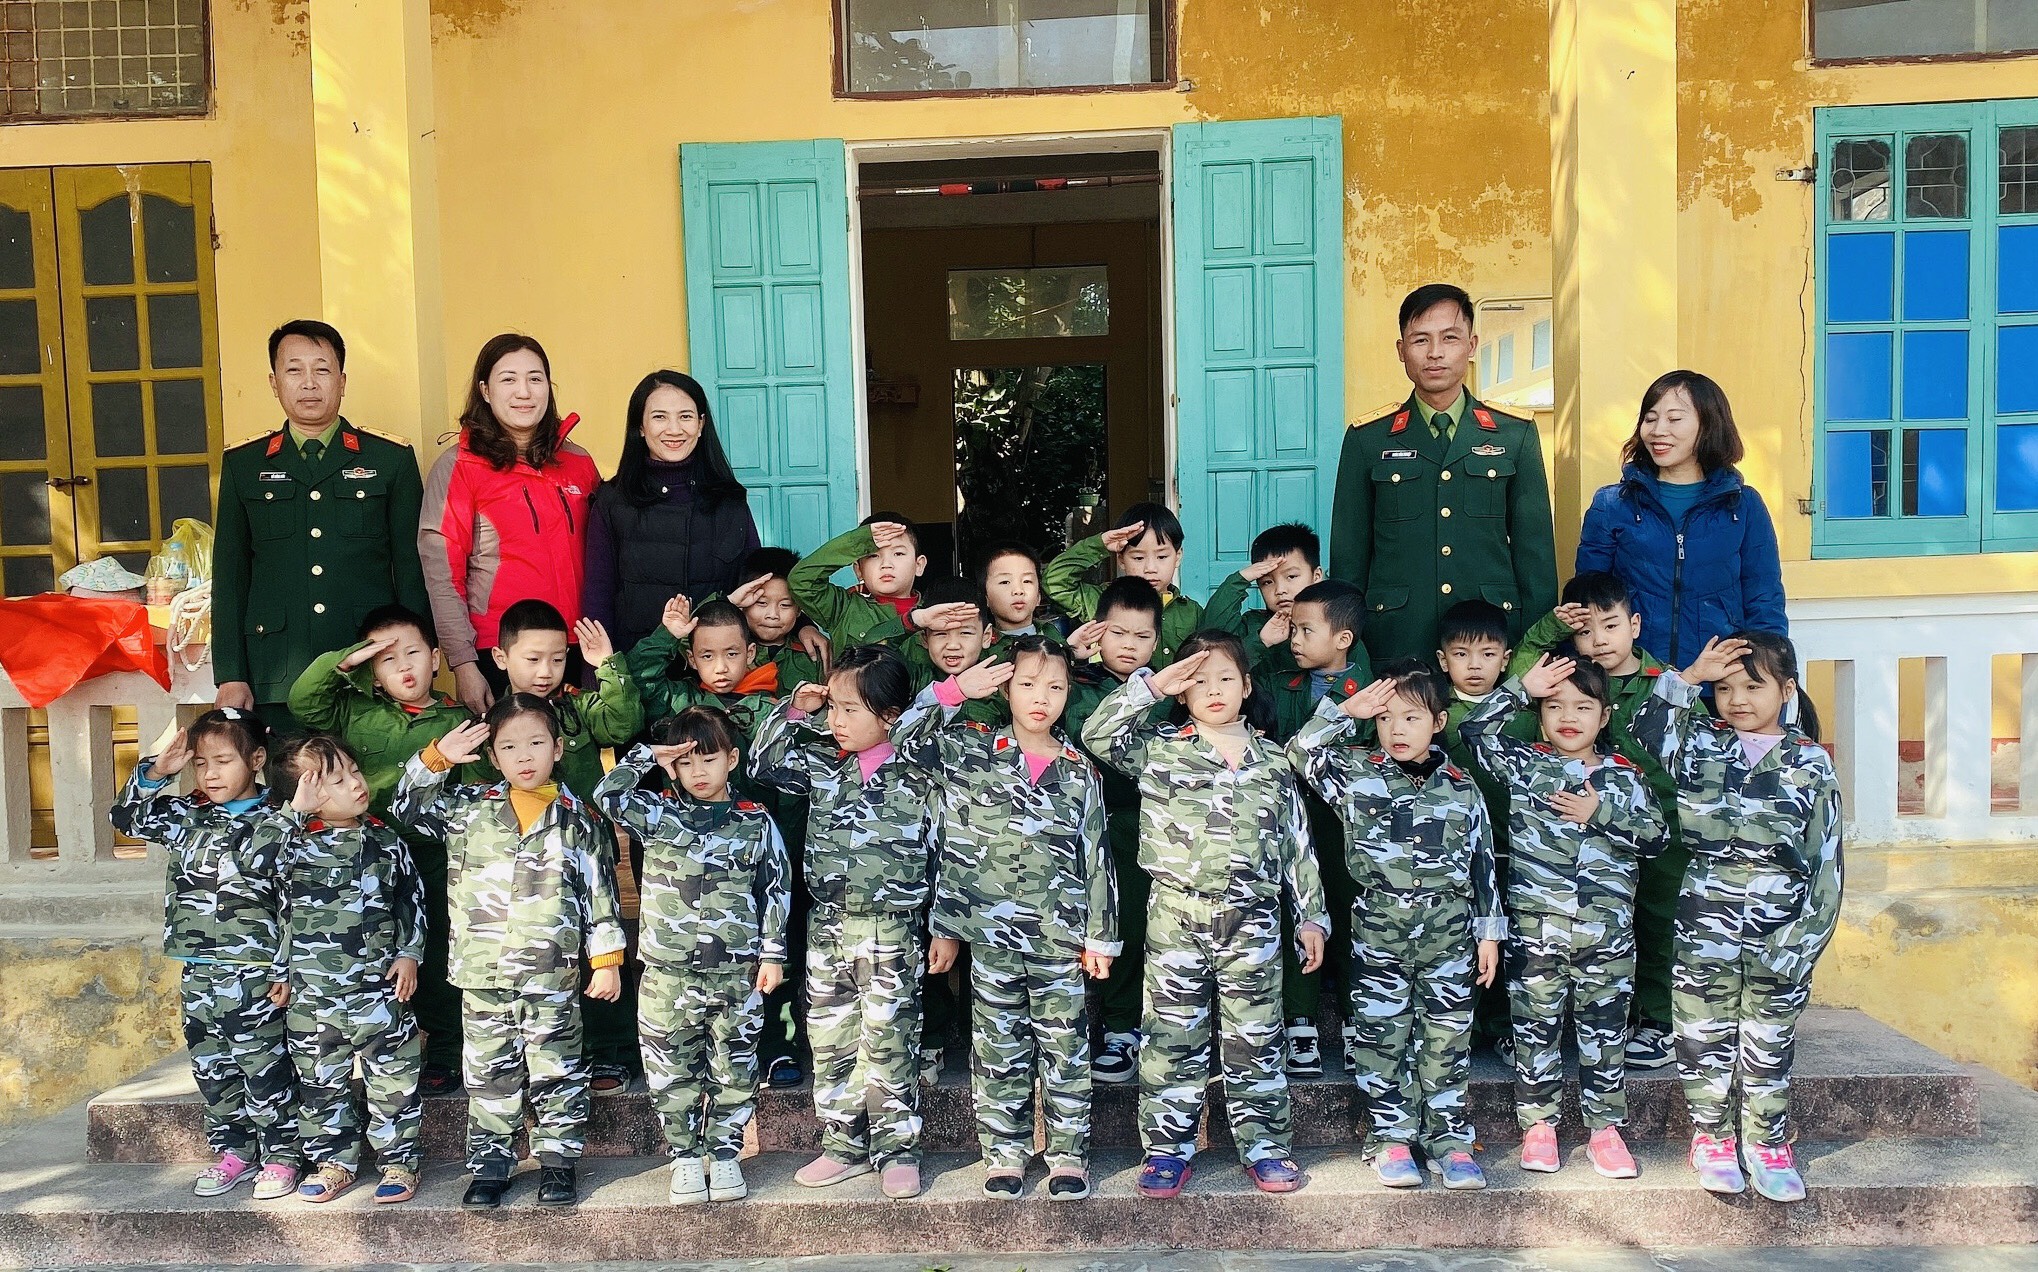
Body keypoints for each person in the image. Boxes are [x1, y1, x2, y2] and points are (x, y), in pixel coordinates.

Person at [1081, 633, 1328, 1199]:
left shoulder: (1275, 759)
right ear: (1181, 693)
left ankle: (1265, 1147)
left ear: (1247, 686)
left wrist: (1312, 915)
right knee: (1172, 1037)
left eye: (1225, 678)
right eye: (1197, 681)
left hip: (1253, 917)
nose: (1213, 690)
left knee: (1256, 1037)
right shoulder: (1161, 750)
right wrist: (1152, 686)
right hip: (1177, 914)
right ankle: (1167, 1150)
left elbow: (1297, 841)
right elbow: (1098, 734)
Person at [1630, 633, 1843, 1204]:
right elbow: (1646, 729)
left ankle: (1768, 1144)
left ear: (1786, 690)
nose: (1738, 699)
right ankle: (1713, 1139)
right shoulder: (1701, 743)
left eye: (1753, 686)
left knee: (1768, 1039)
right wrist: (1690, 678)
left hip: (1780, 923)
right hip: (1705, 914)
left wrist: (1802, 944)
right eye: (1724, 689)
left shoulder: (1810, 762)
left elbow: (1827, 862)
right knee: (1702, 1033)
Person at [393, 699, 626, 1209]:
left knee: (557, 1068)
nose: (524, 756)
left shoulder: (579, 819)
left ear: (558, 749)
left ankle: (558, 1162)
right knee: (488, 1073)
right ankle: (491, 1165)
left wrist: (606, 961)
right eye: (510, 747)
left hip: (551, 970)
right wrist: (436, 757)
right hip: (482, 970)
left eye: (536, 743)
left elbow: (600, 892)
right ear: (493, 757)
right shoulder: (469, 808)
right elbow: (407, 808)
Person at [907, 639, 1116, 1201]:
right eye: (1026, 684)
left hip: (1059, 934)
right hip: (989, 933)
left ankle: (1068, 1154)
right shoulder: (972, 750)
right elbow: (904, 741)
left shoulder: (1079, 771)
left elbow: (1097, 857)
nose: (1040, 698)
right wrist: (953, 692)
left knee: (1065, 1046)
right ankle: (1005, 1153)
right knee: (999, 1046)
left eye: (1054, 686)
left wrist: (1101, 936)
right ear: (1005, 690)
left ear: (1069, 693)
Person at [1288, 661, 1504, 1192]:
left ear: (1439, 722)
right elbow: (1300, 750)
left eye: (1411, 717)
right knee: (1381, 1037)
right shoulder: (1356, 773)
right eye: (1385, 718)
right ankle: (1391, 1138)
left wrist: (1489, 932)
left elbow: (1483, 861)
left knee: (1446, 1038)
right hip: (1379, 928)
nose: (1396, 729)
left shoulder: (1461, 787)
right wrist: (1347, 710)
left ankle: (1450, 1142)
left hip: (1449, 930)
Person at [1459, 654, 1667, 1179]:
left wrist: (1602, 814)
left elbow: (1656, 839)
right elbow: (1474, 731)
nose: (1568, 717)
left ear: (1605, 715)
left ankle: (1605, 1130)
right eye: (1553, 707)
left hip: (1607, 937)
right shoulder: (1526, 765)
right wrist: (1520, 686)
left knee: (1606, 1035)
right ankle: (1539, 1126)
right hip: (1538, 932)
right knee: (1534, 1031)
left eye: (1582, 706)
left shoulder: (1626, 777)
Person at [747, 645, 939, 1201]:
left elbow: (945, 853)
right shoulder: (825, 764)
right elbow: (761, 766)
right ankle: (844, 1145)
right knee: (831, 1042)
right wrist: (794, 711)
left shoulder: (918, 768)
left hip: (892, 929)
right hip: (828, 927)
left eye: (850, 709)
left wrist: (943, 926)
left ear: (890, 715)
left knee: (889, 1041)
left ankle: (897, 1149)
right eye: (834, 706)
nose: (837, 720)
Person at [593, 711, 791, 1207]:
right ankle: (684, 1156)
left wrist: (772, 953)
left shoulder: (755, 820)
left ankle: (724, 1154)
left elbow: (775, 887)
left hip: (737, 971)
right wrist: (648, 756)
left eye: (708, 759)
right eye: (685, 762)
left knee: (734, 1067)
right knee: (670, 1069)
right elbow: (607, 796)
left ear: (732, 759)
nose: (698, 771)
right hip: (668, 974)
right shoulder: (658, 813)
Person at [286, 604, 477, 1094]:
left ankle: (446, 1047)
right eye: (388, 660)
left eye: (413, 653)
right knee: (376, 951)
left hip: (432, 854)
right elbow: (303, 702)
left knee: (434, 948)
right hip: (361, 855)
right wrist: (350, 658)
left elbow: (474, 791)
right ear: (371, 671)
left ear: (436, 658)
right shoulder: (355, 710)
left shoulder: (458, 720)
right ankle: (393, 1043)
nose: (404, 667)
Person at [111, 710, 299, 1201]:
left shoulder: (282, 821)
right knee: (212, 1065)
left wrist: (285, 967)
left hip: (255, 969)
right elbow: (127, 818)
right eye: (200, 763)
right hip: (199, 968)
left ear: (256, 759)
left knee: (263, 1064)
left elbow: (293, 904)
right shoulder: (187, 816)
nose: (210, 774)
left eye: (223, 761)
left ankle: (281, 1154)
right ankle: (234, 1151)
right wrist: (156, 772)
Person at [1508, 571, 1687, 1070]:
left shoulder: (1666, 683)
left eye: (1610, 626)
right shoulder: (1564, 680)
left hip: (1657, 823)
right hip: (1579, 842)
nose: (1599, 640)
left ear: (1635, 625)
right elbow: (1520, 677)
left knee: (1659, 924)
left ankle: (1657, 1021)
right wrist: (1548, 629)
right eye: (1585, 631)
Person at [212, 321, 429, 730]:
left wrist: (417, 661)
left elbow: (411, 570)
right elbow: (230, 576)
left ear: (342, 381)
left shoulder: (390, 460)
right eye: (294, 370)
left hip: (370, 669)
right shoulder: (244, 464)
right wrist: (230, 673)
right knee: (285, 772)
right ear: (274, 383)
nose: (309, 383)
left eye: (322, 370)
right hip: (276, 672)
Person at [1329, 283, 1558, 664]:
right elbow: (1349, 559)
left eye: (1449, 338)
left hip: (1491, 641)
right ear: (1401, 350)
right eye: (1421, 340)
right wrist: (1352, 653)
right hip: (1396, 639)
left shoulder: (1514, 435)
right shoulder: (1367, 439)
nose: (1435, 352)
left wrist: (1534, 651)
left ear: (1471, 345)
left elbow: (1535, 557)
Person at [259, 735, 427, 1204]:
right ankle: (334, 1162)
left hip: (380, 989)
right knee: (320, 1084)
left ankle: (399, 1161)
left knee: (394, 1082)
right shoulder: (290, 844)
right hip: (313, 995)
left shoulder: (385, 840)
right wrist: (294, 814)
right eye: (336, 780)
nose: (355, 783)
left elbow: (411, 900)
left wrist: (410, 953)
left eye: (354, 770)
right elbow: (257, 876)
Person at [419, 333, 601, 715]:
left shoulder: (579, 462)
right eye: (508, 379)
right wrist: (463, 664)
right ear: (485, 390)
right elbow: (442, 575)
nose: (524, 392)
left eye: (535, 379)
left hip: (578, 648)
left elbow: (605, 554)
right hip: (501, 654)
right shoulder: (459, 467)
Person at [1576, 369, 1788, 670]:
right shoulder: (1612, 504)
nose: (1658, 430)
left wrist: (1770, 669)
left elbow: (1764, 599)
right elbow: (1585, 601)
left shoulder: (1744, 505)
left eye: (1674, 419)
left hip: (1719, 676)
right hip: (1635, 677)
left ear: (1709, 425)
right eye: (1650, 419)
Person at [1250, 578, 1371, 1077]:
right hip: (1287, 818)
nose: (1294, 639)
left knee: (1348, 914)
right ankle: (1299, 1020)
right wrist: (1263, 644)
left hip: (1345, 825)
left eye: (1305, 630)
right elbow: (1234, 675)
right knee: (1296, 913)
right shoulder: (1278, 681)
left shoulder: (1372, 691)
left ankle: (1354, 1018)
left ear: (1343, 639)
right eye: (1292, 629)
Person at [1061, 578, 1167, 1086]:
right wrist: (1069, 658)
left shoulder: (1170, 693)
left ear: (1158, 641)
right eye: (1118, 633)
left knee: (1160, 929)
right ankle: (1120, 1028)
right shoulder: (1075, 686)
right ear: (1097, 633)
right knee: (1114, 926)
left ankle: (1163, 1030)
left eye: (1142, 636)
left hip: (1161, 825)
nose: (1129, 645)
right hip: (1096, 826)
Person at [582, 370, 762, 655]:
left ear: (701, 424)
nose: (674, 429)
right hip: (638, 666)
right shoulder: (613, 502)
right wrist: (600, 672)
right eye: (660, 417)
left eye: (686, 416)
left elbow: (760, 582)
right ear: (640, 427)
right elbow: (598, 594)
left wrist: (802, 625)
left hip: (716, 668)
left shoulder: (729, 500)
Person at [1434, 600, 1528, 1060]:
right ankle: (1462, 1028)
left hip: (1514, 846)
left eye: (1488, 654)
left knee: (1511, 941)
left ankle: (1504, 1026)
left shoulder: (1523, 713)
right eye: (1461, 654)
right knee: (1461, 940)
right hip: (1454, 853)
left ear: (1506, 660)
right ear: (1442, 660)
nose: (1475, 665)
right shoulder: (1436, 712)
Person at [1045, 503, 1204, 666]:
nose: (1150, 568)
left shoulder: (1192, 612)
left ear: (1178, 556)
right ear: (1121, 559)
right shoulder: (1103, 599)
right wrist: (1100, 545)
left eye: (1162, 557)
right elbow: (1055, 582)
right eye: (1138, 558)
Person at [789, 515, 929, 650]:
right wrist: (860, 541)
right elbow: (801, 581)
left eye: (898, 554)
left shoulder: (933, 613)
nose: (886, 564)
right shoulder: (843, 609)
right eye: (873, 555)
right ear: (858, 570)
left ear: (919, 565)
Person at [1204, 523, 1324, 673]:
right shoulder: (1252, 626)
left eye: (1291, 576)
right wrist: (1241, 578)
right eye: (1267, 582)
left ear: (1316, 576)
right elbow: (1211, 636)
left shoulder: (1334, 623)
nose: (1280, 590)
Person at [974, 541, 1061, 653]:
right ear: (985, 597)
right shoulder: (980, 648)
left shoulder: (1051, 633)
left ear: (1039, 596)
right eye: (1005, 582)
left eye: (1027, 581)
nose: (1018, 591)